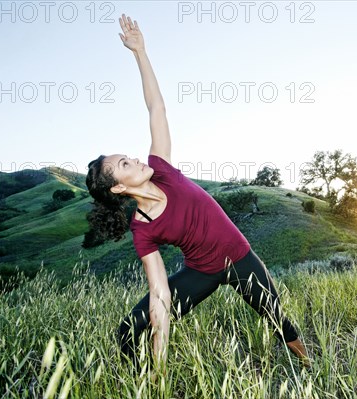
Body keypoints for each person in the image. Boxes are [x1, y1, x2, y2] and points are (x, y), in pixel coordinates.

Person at [85, 14, 309, 371]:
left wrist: (140, 53)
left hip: (240, 259)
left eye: (127, 156)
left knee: (278, 319)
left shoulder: (162, 168)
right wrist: (160, 359)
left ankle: (310, 364)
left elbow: (156, 108)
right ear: (119, 188)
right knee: (128, 329)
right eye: (124, 165)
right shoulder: (142, 229)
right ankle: (142, 379)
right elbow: (160, 295)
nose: (133, 159)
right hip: (200, 272)